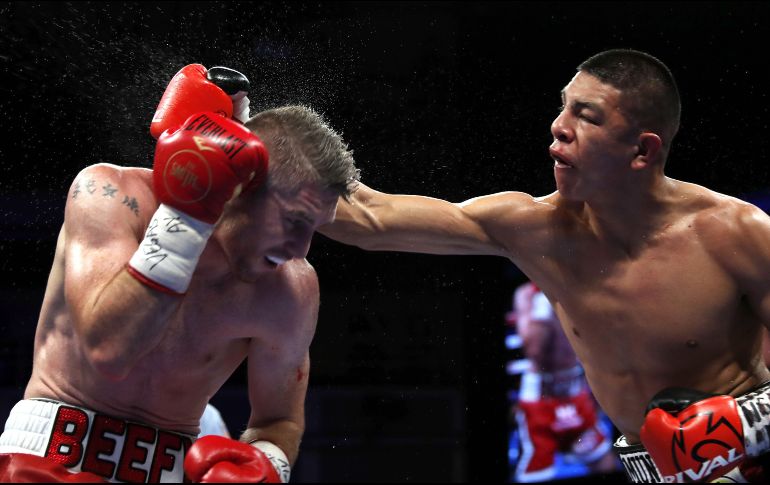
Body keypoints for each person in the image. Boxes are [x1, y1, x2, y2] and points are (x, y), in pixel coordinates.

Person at [320, 49, 770, 482]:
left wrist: (748, 427)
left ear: (642, 151)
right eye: (563, 107)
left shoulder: (735, 233)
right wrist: (258, 144)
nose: (558, 127)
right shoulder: (536, 231)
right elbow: (367, 219)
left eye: (586, 116)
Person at [0, 64, 359, 483]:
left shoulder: (292, 289)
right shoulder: (108, 196)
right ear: (240, 187)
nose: (301, 248)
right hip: (50, 458)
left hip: (168, 470)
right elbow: (109, 352)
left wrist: (268, 465)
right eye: (294, 221)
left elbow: (280, 421)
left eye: (314, 229)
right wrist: (186, 217)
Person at [510, 281, 616, 482]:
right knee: (535, 476)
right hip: (540, 400)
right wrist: (543, 313)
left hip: (574, 392)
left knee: (605, 463)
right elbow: (534, 351)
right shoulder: (526, 294)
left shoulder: (574, 284)